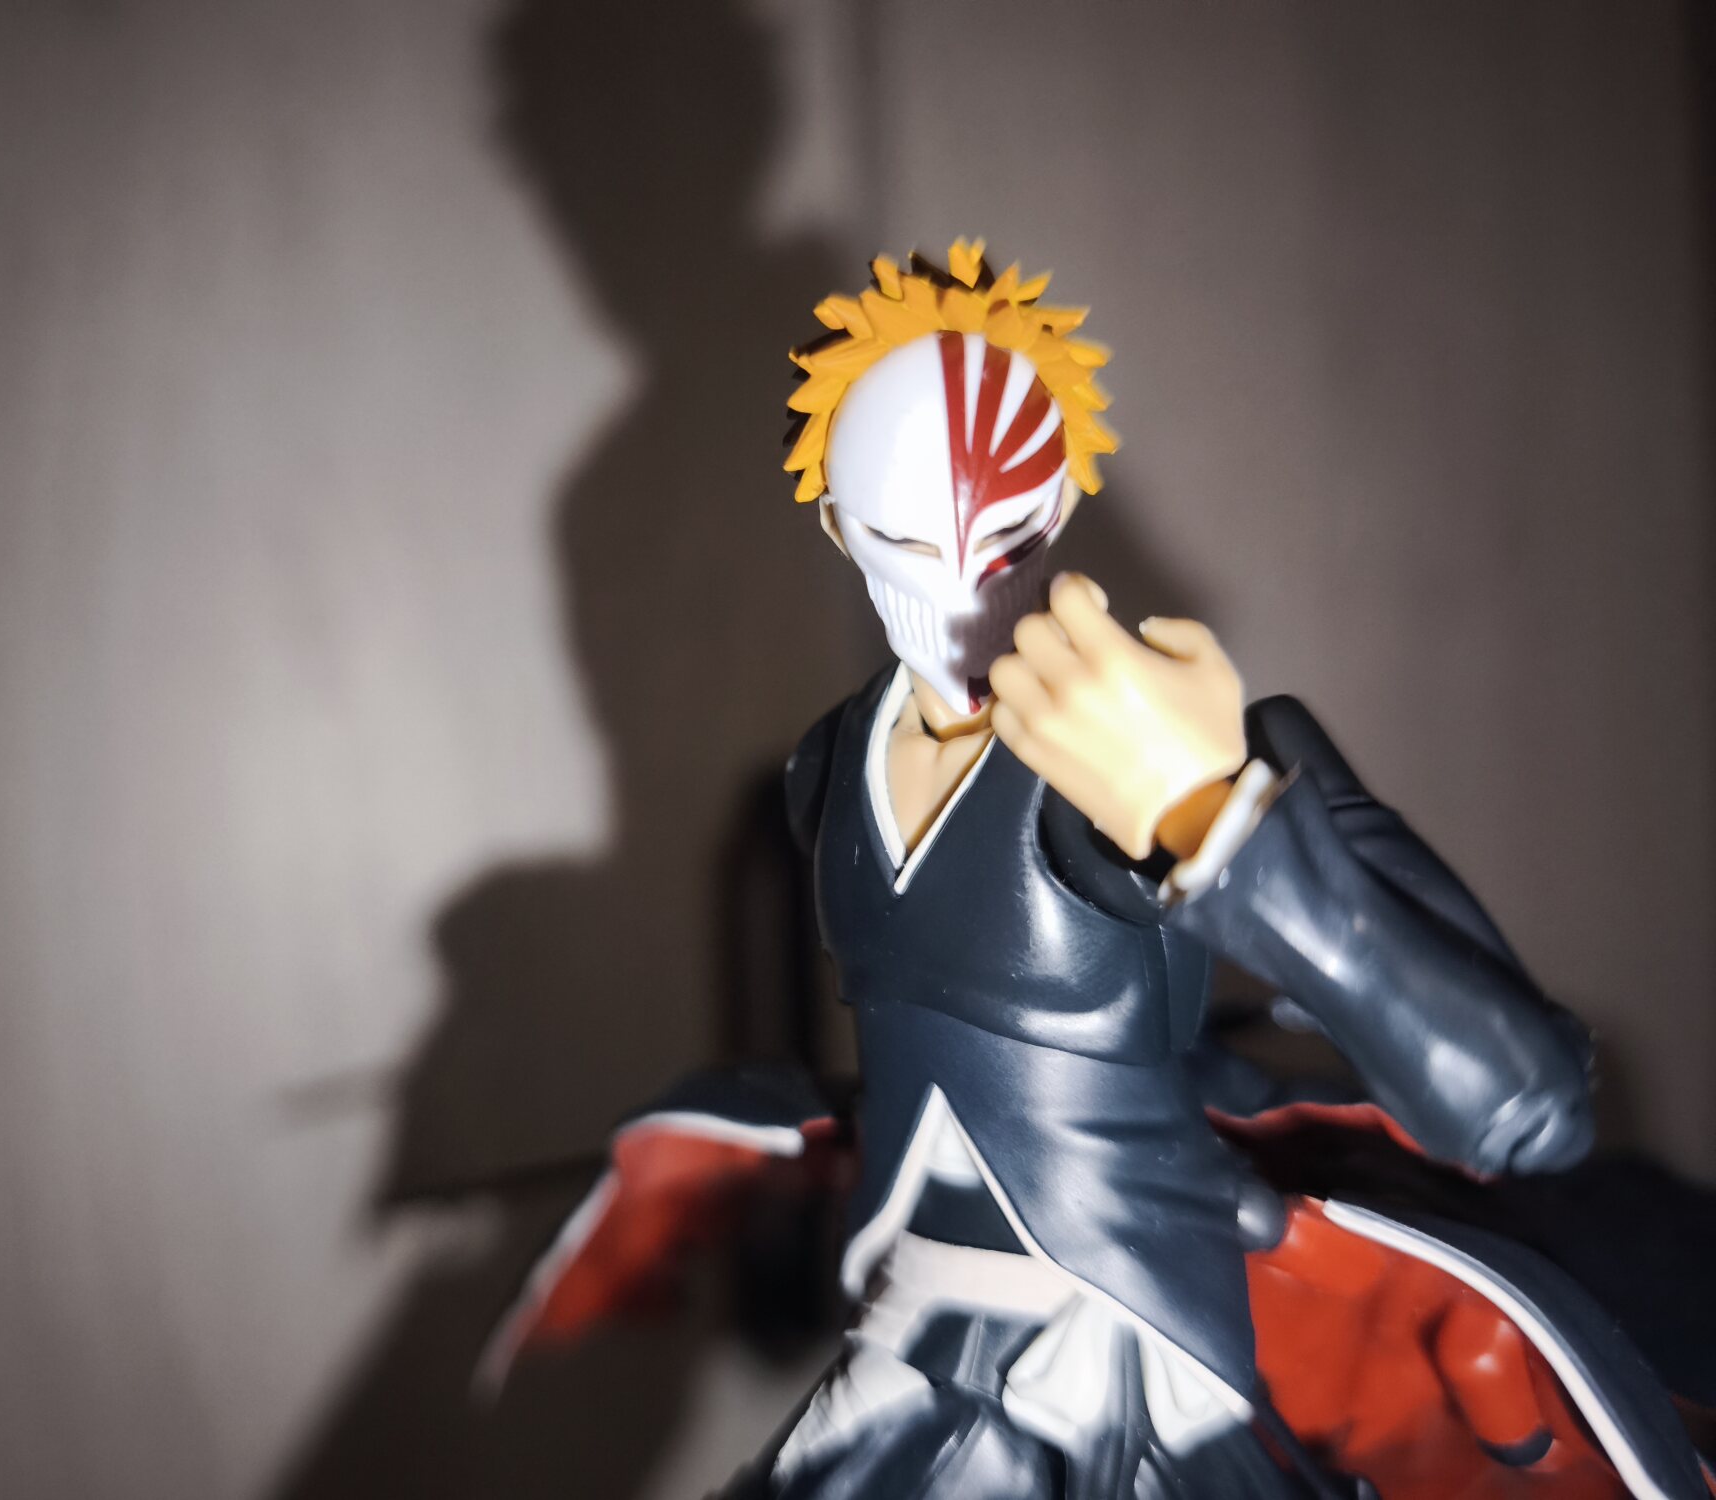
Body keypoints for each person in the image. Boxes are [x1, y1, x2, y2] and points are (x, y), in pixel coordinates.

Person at [492, 242, 1711, 1500]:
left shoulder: (1173, 758)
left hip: (1136, 1352)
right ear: (836, 524)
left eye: (1003, 537)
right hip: (906, 1332)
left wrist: (1214, 822)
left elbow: (1521, 1108)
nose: (957, 593)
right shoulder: (827, 769)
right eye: (905, 540)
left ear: (1064, 498)